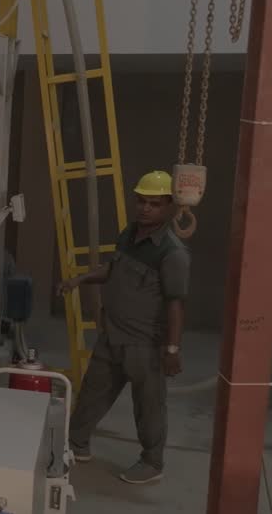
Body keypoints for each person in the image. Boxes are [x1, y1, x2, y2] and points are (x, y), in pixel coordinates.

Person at [57, 170, 189, 485]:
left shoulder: (172, 253)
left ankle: (152, 461)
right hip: (113, 333)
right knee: (93, 392)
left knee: (148, 405)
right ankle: (76, 443)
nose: (145, 208)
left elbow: (175, 304)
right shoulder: (129, 234)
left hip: (144, 343)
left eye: (154, 204)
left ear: (169, 206)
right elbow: (113, 269)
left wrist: (172, 349)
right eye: (141, 201)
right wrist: (80, 279)